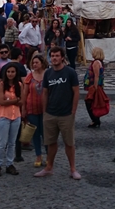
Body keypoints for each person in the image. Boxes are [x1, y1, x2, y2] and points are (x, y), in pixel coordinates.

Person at [34, 46, 80, 180]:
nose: (54, 58)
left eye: (57, 56)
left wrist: (73, 111)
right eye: (52, 56)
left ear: (62, 57)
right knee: (50, 142)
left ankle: (72, 169)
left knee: (69, 143)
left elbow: (76, 92)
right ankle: (49, 167)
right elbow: (45, 93)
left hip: (66, 114)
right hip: (50, 113)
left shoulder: (70, 72)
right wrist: (45, 111)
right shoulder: (48, 74)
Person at [0, 62, 24, 176]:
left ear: (16, 73)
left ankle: (10, 163)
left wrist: (10, 101)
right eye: (9, 72)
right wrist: (15, 101)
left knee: (12, 143)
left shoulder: (19, 85)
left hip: (16, 116)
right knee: (2, 143)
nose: (11, 74)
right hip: (4, 116)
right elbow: (1, 101)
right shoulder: (1, 84)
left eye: (13, 72)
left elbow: (22, 101)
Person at [22, 53, 49, 168]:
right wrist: (23, 108)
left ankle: (49, 155)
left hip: (45, 109)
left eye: (37, 62)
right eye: (33, 63)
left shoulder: (48, 75)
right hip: (32, 108)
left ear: (42, 63)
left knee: (46, 133)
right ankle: (38, 155)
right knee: (35, 133)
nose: (34, 64)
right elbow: (25, 93)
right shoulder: (30, 76)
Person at [83, 47, 105, 128]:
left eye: (93, 52)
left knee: (89, 102)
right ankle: (95, 119)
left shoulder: (96, 62)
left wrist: (95, 87)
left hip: (94, 85)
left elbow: (96, 76)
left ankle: (95, 120)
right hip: (97, 85)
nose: (92, 53)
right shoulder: (100, 62)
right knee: (94, 102)